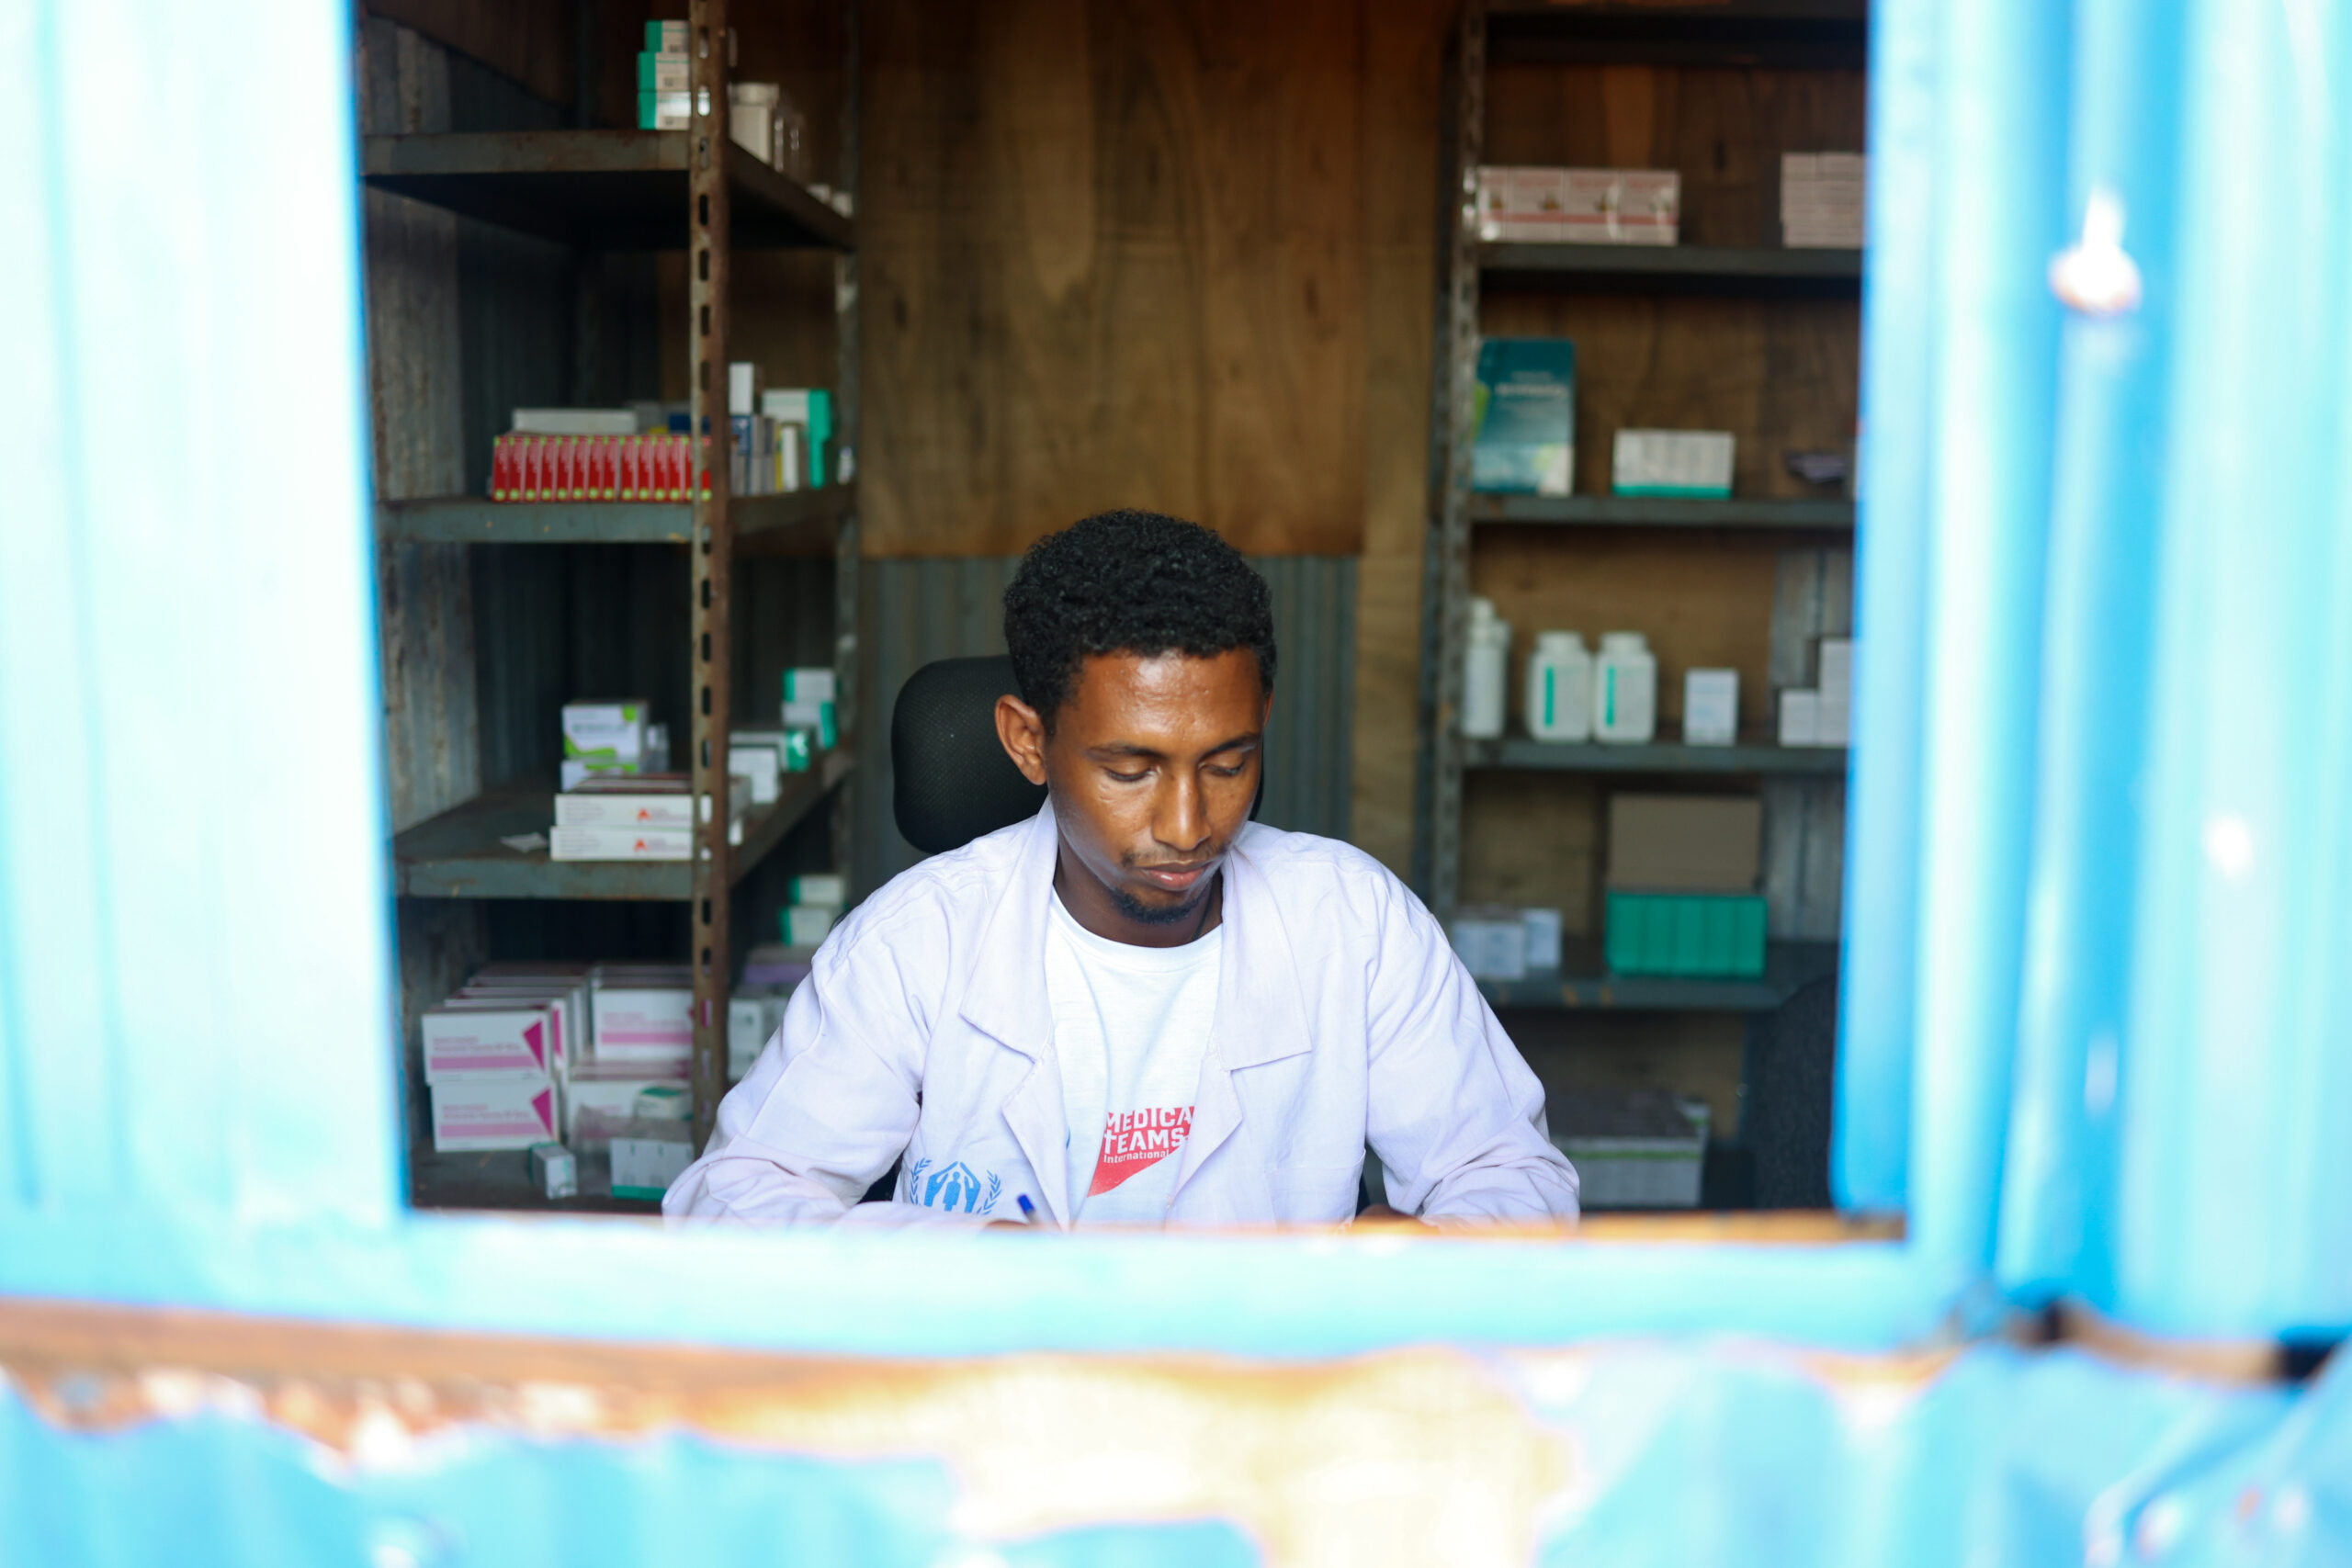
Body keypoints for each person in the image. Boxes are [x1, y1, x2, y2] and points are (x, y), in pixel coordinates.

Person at [664, 509, 1579, 1229]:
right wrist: (962, 1256)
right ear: (1029, 742)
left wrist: (1432, 1246)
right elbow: (728, 1204)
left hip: (1266, 1423)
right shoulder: (918, 945)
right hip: (1006, 1428)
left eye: (1227, 764)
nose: (1188, 826)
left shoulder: (1353, 922)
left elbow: (1515, 1179)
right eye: (1130, 770)